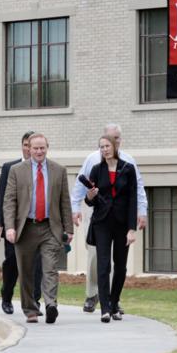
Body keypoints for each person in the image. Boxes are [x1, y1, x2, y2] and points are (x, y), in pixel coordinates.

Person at [71, 123, 147, 313]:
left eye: (117, 138)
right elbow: (82, 185)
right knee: (97, 258)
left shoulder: (128, 163)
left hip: (120, 219)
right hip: (100, 216)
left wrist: (142, 211)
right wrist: (75, 207)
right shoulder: (93, 161)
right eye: (107, 140)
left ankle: (113, 300)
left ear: (119, 140)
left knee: (118, 264)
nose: (111, 143)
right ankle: (92, 295)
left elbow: (136, 189)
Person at [2, 132, 73, 324]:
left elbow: (64, 201)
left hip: (50, 227)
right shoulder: (17, 170)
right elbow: (9, 201)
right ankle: (30, 310)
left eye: (42, 148)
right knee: (25, 272)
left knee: (50, 268)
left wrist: (69, 229)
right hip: (25, 228)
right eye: (35, 148)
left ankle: (51, 305)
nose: (39, 151)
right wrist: (9, 227)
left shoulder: (59, 170)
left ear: (47, 148)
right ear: (29, 149)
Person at [83, 133, 139, 322]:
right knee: (103, 265)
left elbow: (133, 200)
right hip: (102, 223)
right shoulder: (97, 170)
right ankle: (105, 308)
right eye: (101, 147)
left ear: (115, 147)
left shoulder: (128, 169)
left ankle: (114, 304)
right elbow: (89, 202)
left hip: (122, 223)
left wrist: (132, 228)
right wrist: (90, 196)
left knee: (121, 266)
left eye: (107, 146)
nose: (104, 149)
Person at [0, 130, 43, 315]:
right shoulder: (9, 168)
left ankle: (34, 301)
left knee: (36, 264)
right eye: (26, 145)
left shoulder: (42, 169)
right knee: (12, 262)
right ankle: (7, 296)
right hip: (13, 225)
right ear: (23, 147)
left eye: (32, 146)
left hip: (35, 225)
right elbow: (2, 197)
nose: (29, 149)